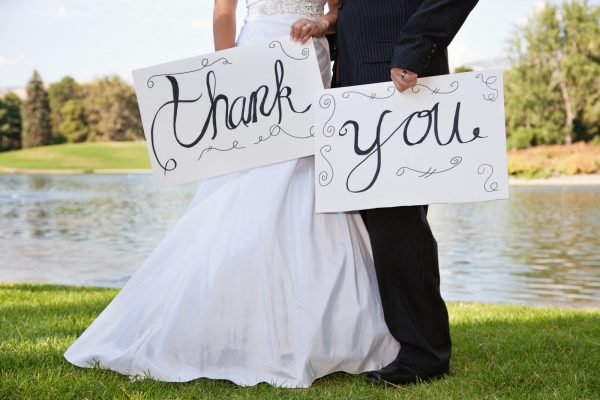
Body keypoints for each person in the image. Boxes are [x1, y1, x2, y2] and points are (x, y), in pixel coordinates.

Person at [63, 0, 399, 388]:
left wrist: (321, 23)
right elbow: (224, 11)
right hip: (253, 55)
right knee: (249, 178)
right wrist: (226, 70)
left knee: (305, 171)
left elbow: (339, 11)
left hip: (308, 57)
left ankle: (330, 329)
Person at [333, 0, 479, 386]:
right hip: (354, 71)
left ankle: (425, 354)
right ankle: (397, 341)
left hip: (399, 71)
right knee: (376, 221)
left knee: (398, 221)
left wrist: (415, 48)